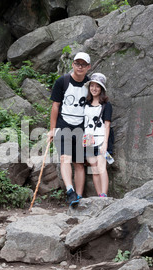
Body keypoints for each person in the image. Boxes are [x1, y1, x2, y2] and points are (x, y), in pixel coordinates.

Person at [48, 52, 91, 208]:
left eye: (83, 64)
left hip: (81, 127)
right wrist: (52, 129)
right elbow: (55, 106)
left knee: (79, 163)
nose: (80, 67)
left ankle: (78, 196)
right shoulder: (63, 81)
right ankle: (70, 191)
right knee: (65, 158)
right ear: (72, 64)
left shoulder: (90, 85)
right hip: (63, 124)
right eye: (77, 63)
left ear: (88, 67)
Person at [83, 73, 112, 197]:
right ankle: (98, 194)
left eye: (97, 86)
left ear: (102, 89)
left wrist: (105, 144)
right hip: (88, 138)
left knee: (101, 168)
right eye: (92, 86)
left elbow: (107, 125)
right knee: (94, 169)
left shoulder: (106, 105)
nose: (94, 89)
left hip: (101, 138)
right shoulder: (85, 104)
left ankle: (104, 195)